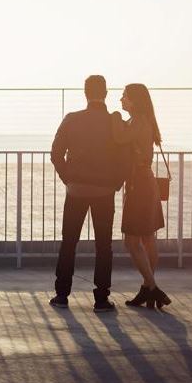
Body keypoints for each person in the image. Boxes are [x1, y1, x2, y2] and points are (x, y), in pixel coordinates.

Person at [50, 75, 122, 312]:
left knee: (69, 242)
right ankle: (101, 299)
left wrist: (68, 178)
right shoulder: (113, 121)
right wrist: (117, 181)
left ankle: (61, 295)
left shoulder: (72, 119)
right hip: (104, 191)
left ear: (85, 92)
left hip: (77, 190)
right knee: (104, 246)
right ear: (106, 93)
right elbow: (126, 155)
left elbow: (56, 153)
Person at [111, 83, 170, 309]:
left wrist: (114, 116)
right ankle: (148, 289)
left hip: (139, 185)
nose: (121, 100)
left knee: (132, 241)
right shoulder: (142, 120)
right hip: (145, 182)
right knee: (147, 239)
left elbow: (118, 137)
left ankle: (152, 288)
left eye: (124, 96)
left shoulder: (138, 121)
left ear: (134, 100)